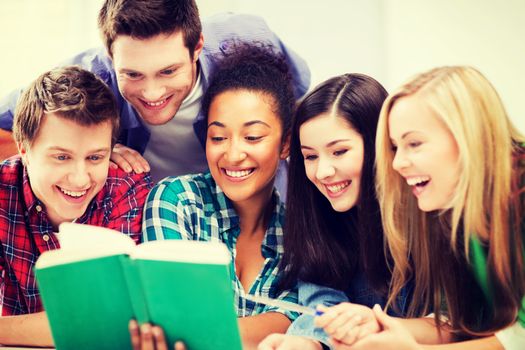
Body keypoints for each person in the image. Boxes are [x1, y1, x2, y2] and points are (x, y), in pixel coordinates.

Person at [0, 0, 310, 192]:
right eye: (133, 74)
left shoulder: (244, 39)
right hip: (155, 220)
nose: (152, 93)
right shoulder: (88, 78)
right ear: (110, 55)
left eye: (168, 71)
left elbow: (296, 100)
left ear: (197, 47)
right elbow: (12, 123)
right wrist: (92, 150)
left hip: (260, 205)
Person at [317, 66, 525, 349]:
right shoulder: (452, 210)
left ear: (469, 137)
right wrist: (380, 327)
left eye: (414, 143)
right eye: (394, 147)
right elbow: (460, 321)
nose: (397, 163)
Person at [133, 43, 297, 349]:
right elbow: (174, 323)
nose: (233, 154)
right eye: (218, 137)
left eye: (253, 137)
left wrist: (203, 333)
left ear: (285, 143)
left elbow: (294, 321)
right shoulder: (176, 200)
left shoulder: (297, 232)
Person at [0, 66, 152, 347]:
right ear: (24, 149)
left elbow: (97, 322)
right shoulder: (3, 190)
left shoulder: (125, 192)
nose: (80, 178)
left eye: (95, 157)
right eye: (61, 157)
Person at [258, 74, 411, 350]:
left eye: (339, 152)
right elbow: (321, 307)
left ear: (380, 144)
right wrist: (309, 343)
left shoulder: (426, 217)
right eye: (310, 156)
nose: (323, 172)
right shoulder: (318, 221)